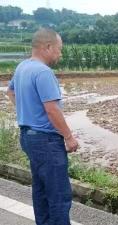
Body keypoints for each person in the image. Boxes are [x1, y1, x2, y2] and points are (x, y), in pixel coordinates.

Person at [6, 28, 79, 225]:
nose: (60, 54)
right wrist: (69, 137)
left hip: (28, 137)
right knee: (58, 195)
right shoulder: (43, 72)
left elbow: (10, 92)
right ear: (47, 47)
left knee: (41, 190)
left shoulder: (22, 67)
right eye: (58, 49)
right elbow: (52, 110)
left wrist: (27, 112)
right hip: (46, 141)